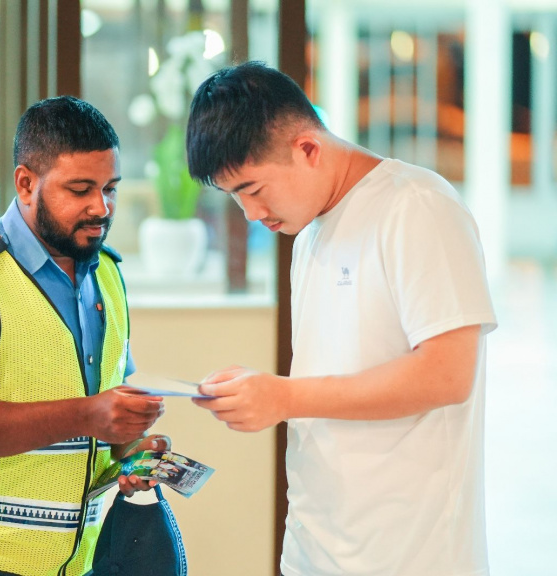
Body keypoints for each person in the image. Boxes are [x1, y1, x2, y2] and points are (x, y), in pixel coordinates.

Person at [186, 62, 497, 576]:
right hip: (316, 547)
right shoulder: (309, 231)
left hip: (409, 557)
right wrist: (268, 393)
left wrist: (285, 397)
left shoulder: (417, 206)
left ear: (308, 148)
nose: (250, 214)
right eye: (234, 197)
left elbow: (447, 374)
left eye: (253, 189)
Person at [0, 95, 168, 576]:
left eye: (110, 188)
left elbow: (109, 405)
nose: (101, 207)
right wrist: (89, 415)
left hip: (75, 564)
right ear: (26, 183)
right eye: (80, 190)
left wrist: (130, 451)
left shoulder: (106, 273)